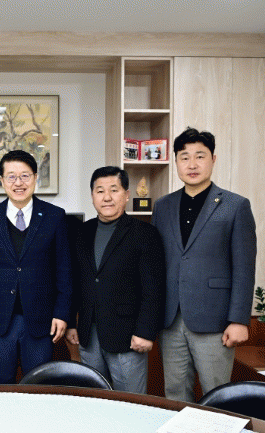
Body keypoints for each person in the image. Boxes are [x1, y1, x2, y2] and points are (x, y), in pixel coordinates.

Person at [152, 127, 257, 402]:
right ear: (176, 162)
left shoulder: (234, 205)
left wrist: (239, 320)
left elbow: (244, 268)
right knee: (175, 394)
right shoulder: (163, 206)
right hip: (171, 319)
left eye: (200, 156)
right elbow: (157, 263)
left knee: (217, 394)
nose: (192, 164)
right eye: (184, 157)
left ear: (213, 159)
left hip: (215, 320)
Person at [0, 150, 72, 384]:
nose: (19, 183)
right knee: (0, 388)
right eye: (11, 177)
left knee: (38, 388)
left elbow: (64, 271)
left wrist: (62, 313)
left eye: (25, 176)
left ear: (35, 178)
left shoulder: (55, 217)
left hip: (41, 320)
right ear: (2, 181)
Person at [65, 166, 165, 393]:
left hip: (128, 336)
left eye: (114, 190)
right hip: (88, 334)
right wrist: (71, 323)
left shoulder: (145, 233)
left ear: (127, 194)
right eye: (100, 191)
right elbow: (75, 282)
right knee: (94, 398)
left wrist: (145, 332)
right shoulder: (81, 232)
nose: (107, 197)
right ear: (92, 196)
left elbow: (154, 289)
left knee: (130, 400)